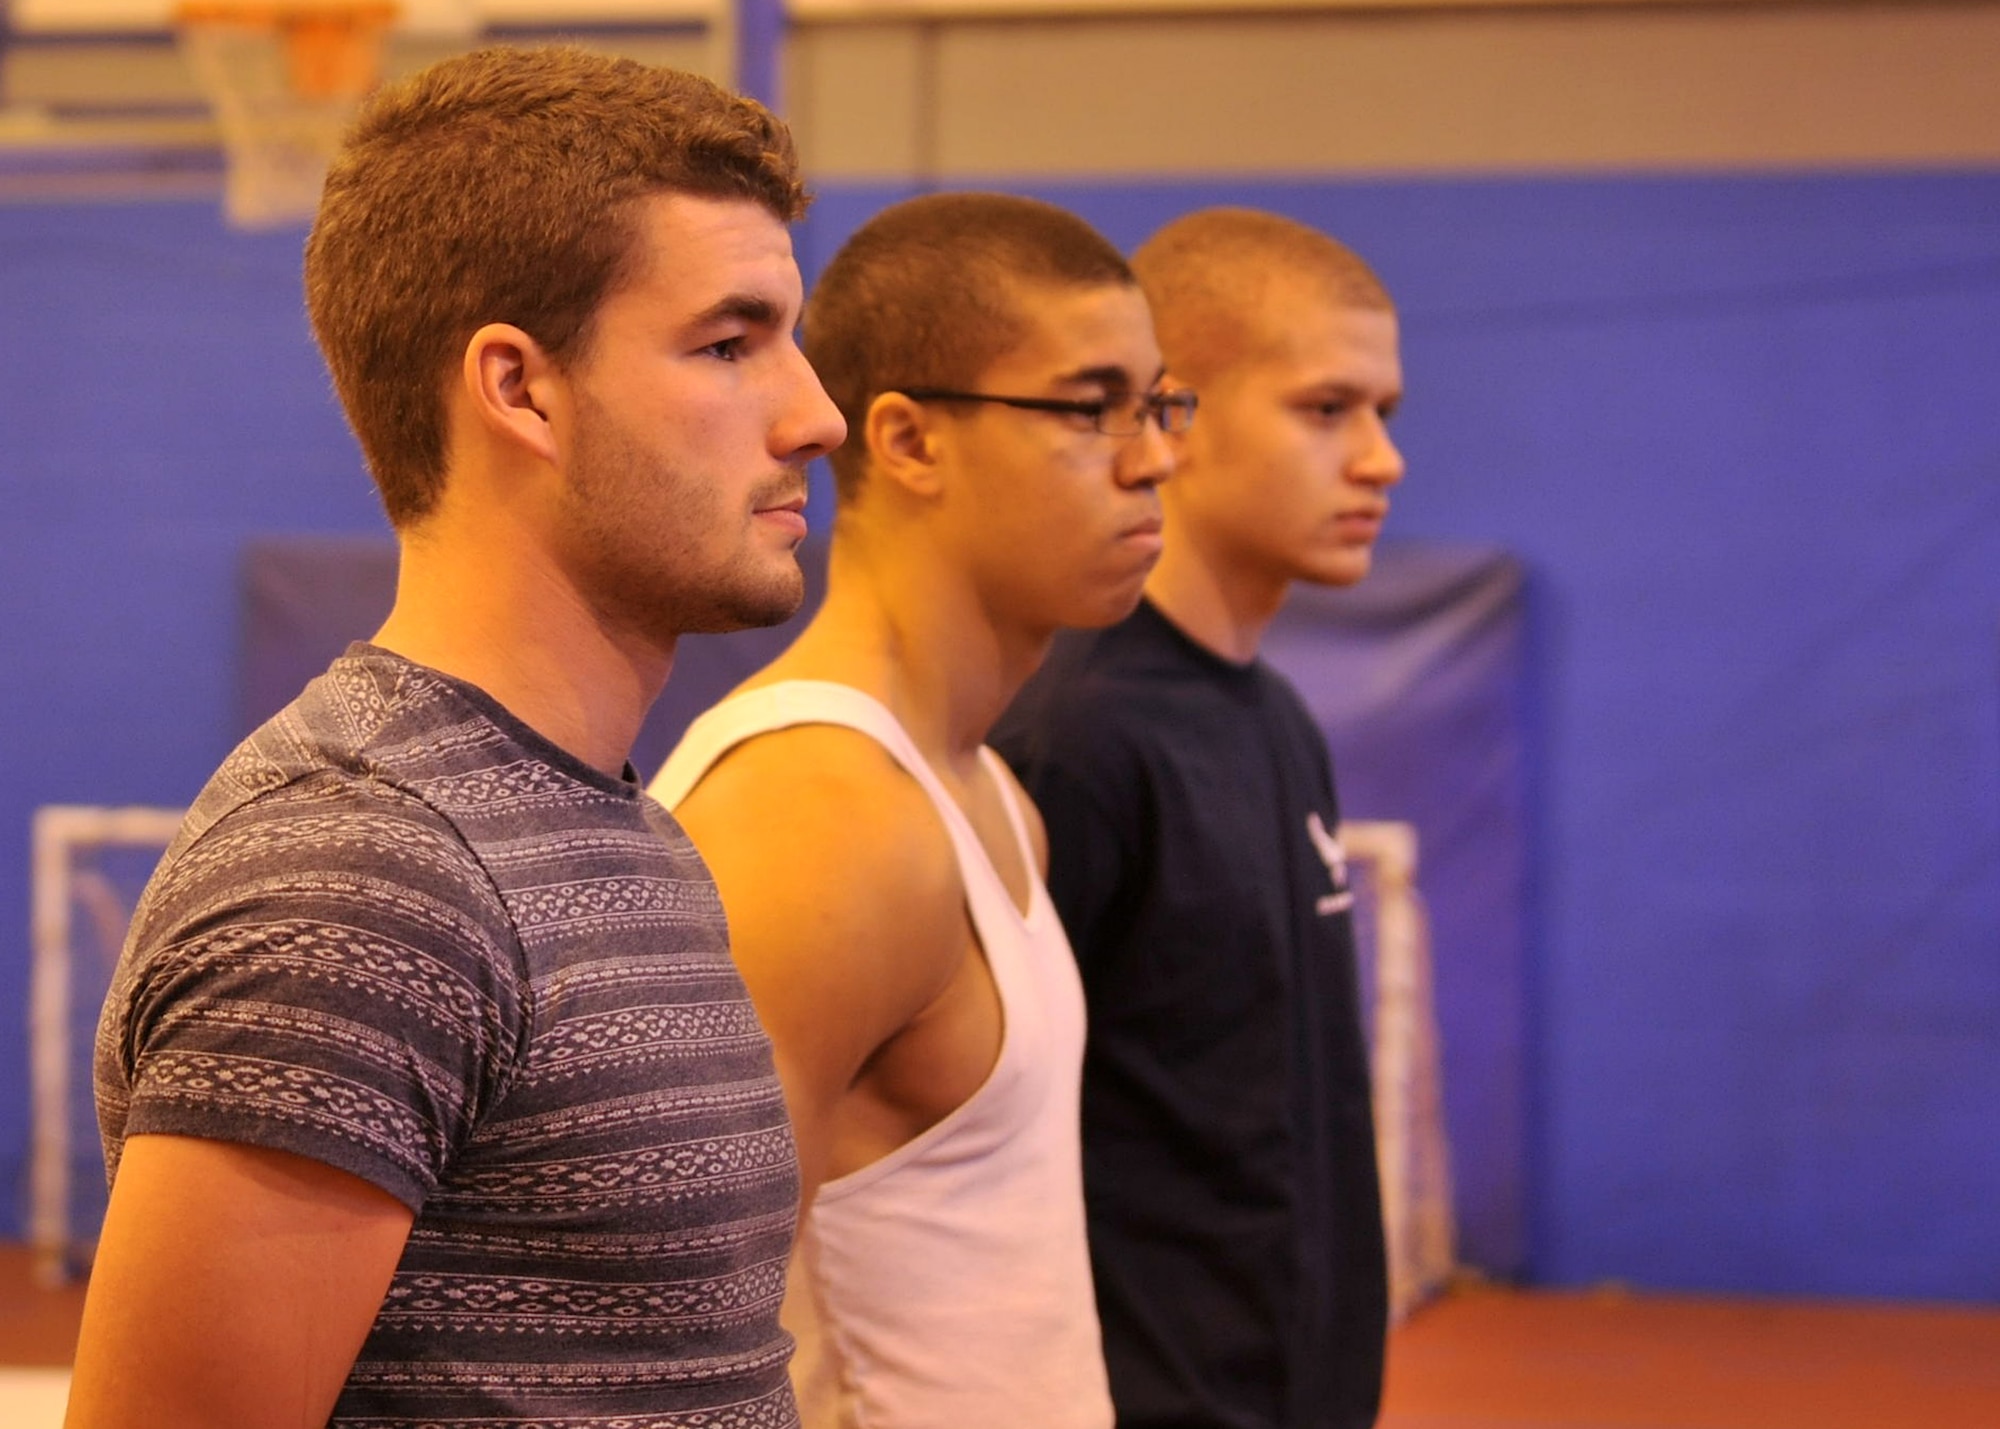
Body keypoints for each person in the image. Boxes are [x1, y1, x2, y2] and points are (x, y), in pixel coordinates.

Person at [69, 46, 844, 1429]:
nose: (815, 414)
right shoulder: (359, 874)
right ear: (520, 389)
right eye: (730, 344)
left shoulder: (621, 828)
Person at [646, 191, 1185, 1429]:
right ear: (908, 441)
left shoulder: (990, 794)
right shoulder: (818, 813)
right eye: (1089, 407)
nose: (1153, 458)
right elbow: (675, 1349)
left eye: (1159, 405)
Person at [993, 207, 1407, 1429]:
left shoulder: (1277, 720)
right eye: (1326, 409)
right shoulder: (1073, 738)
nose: (1380, 458)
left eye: (1385, 412)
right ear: (1170, 414)